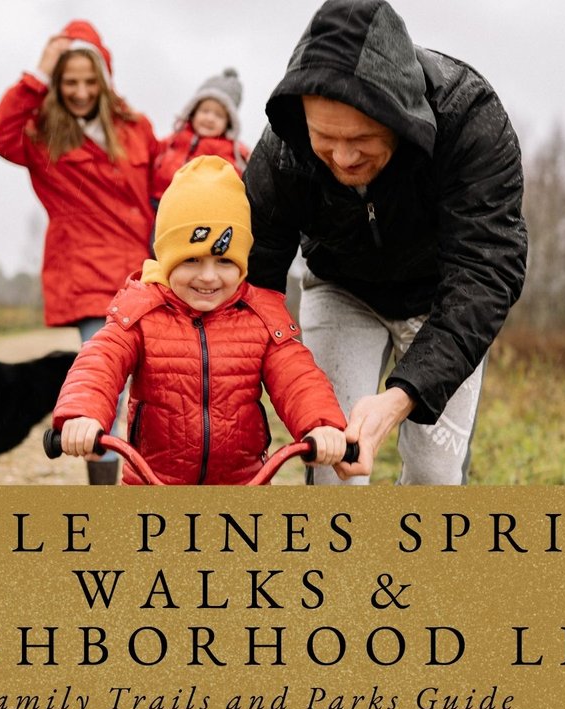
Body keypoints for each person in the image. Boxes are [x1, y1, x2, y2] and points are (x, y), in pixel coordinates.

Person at [244, 0, 528, 486]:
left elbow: (487, 272)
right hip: (339, 286)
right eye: (325, 138)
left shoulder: (471, 121)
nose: (344, 156)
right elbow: (256, 280)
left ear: (401, 117)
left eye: (363, 137)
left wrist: (401, 397)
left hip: (440, 299)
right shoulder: (283, 150)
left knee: (434, 474)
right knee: (334, 466)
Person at [53, 156, 349, 485]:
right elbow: (100, 360)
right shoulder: (142, 309)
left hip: (241, 485)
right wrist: (83, 413)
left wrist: (321, 424)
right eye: (191, 259)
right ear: (166, 258)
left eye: (224, 260)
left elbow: (297, 376)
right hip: (152, 484)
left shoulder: (261, 315)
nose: (208, 277)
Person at [0, 20, 158, 485]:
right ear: (57, 85)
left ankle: (151, 486)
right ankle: (103, 498)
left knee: (155, 388)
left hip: (146, 273)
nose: (80, 91)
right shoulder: (43, 135)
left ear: (103, 80)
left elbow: (166, 186)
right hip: (90, 280)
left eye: (87, 81)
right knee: (107, 387)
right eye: (68, 81)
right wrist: (37, 73)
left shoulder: (137, 128)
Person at [151, 68, 251, 201]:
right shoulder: (174, 139)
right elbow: (152, 154)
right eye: (205, 111)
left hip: (193, 209)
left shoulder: (230, 152)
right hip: (157, 202)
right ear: (193, 112)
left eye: (219, 115)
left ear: (228, 123)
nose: (210, 118)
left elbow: (234, 179)